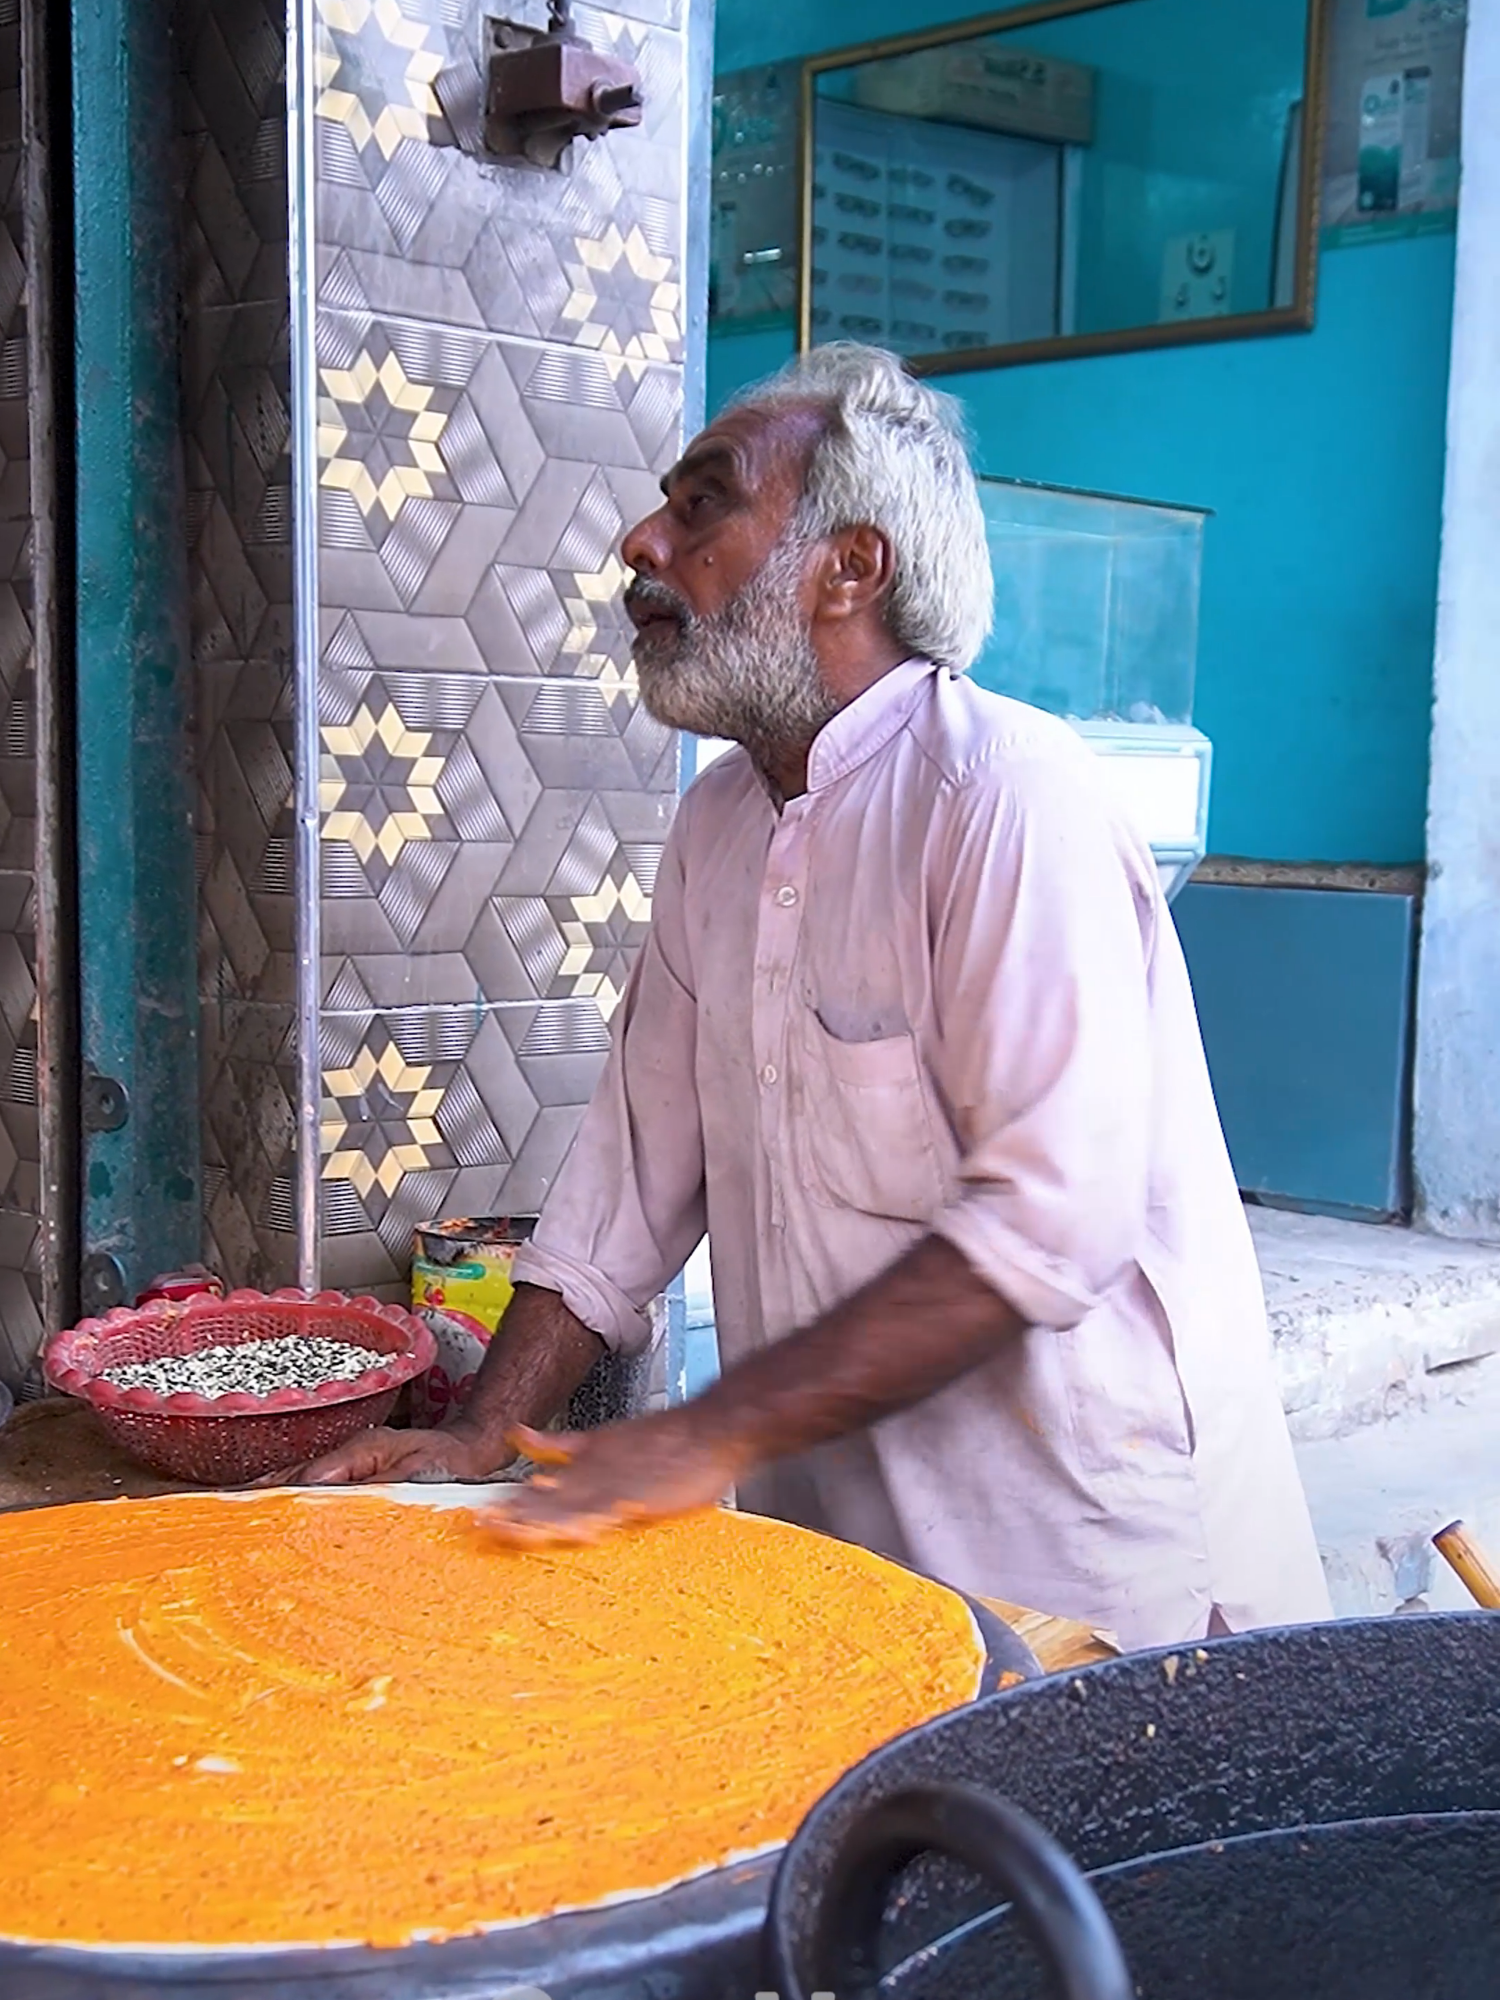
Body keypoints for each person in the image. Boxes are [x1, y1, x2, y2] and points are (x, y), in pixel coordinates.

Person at [285, 343, 1331, 1650]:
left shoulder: (1008, 798)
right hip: (831, 1566)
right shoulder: (720, 826)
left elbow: (1045, 1229)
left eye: (703, 502)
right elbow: (627, 1183)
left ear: (850, 566)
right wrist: (483, 1437)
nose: (641, 543)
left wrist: (694, 1438)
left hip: (1079, 1581)